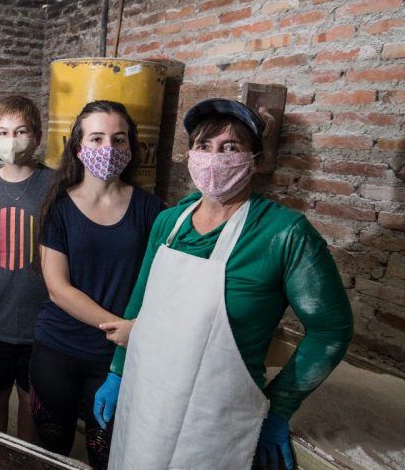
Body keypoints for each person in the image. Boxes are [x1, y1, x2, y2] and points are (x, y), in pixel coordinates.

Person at [93, 98, 354, 470]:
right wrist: (118, 372)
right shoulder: (169, 223)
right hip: (148, 399)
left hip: (218, 418)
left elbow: (331, 330)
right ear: (190, 155)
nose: (214, 158)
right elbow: (141, 304)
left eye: (230, 148)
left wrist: (280, 407)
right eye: (204, 146)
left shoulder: (284, 234)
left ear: (255, 160)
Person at [30, 100, 164, 469]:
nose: (108, 148)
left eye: (118, 139)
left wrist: (137, 331)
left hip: (116, 359)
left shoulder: (152, 210)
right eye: (97, 138)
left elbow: (163, 284)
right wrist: (122, 328)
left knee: (106, 452)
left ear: (130, 147)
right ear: (78, 147)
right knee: (52, 446)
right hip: (59, 348)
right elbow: (58, 288)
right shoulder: (58, 207)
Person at [0, 95, 53, 441]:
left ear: (36, 135)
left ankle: (22, 460)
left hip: (40, 318)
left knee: (31, 401)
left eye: (20, 131)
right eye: (3, 132)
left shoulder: (56, 185)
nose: (12, 139)